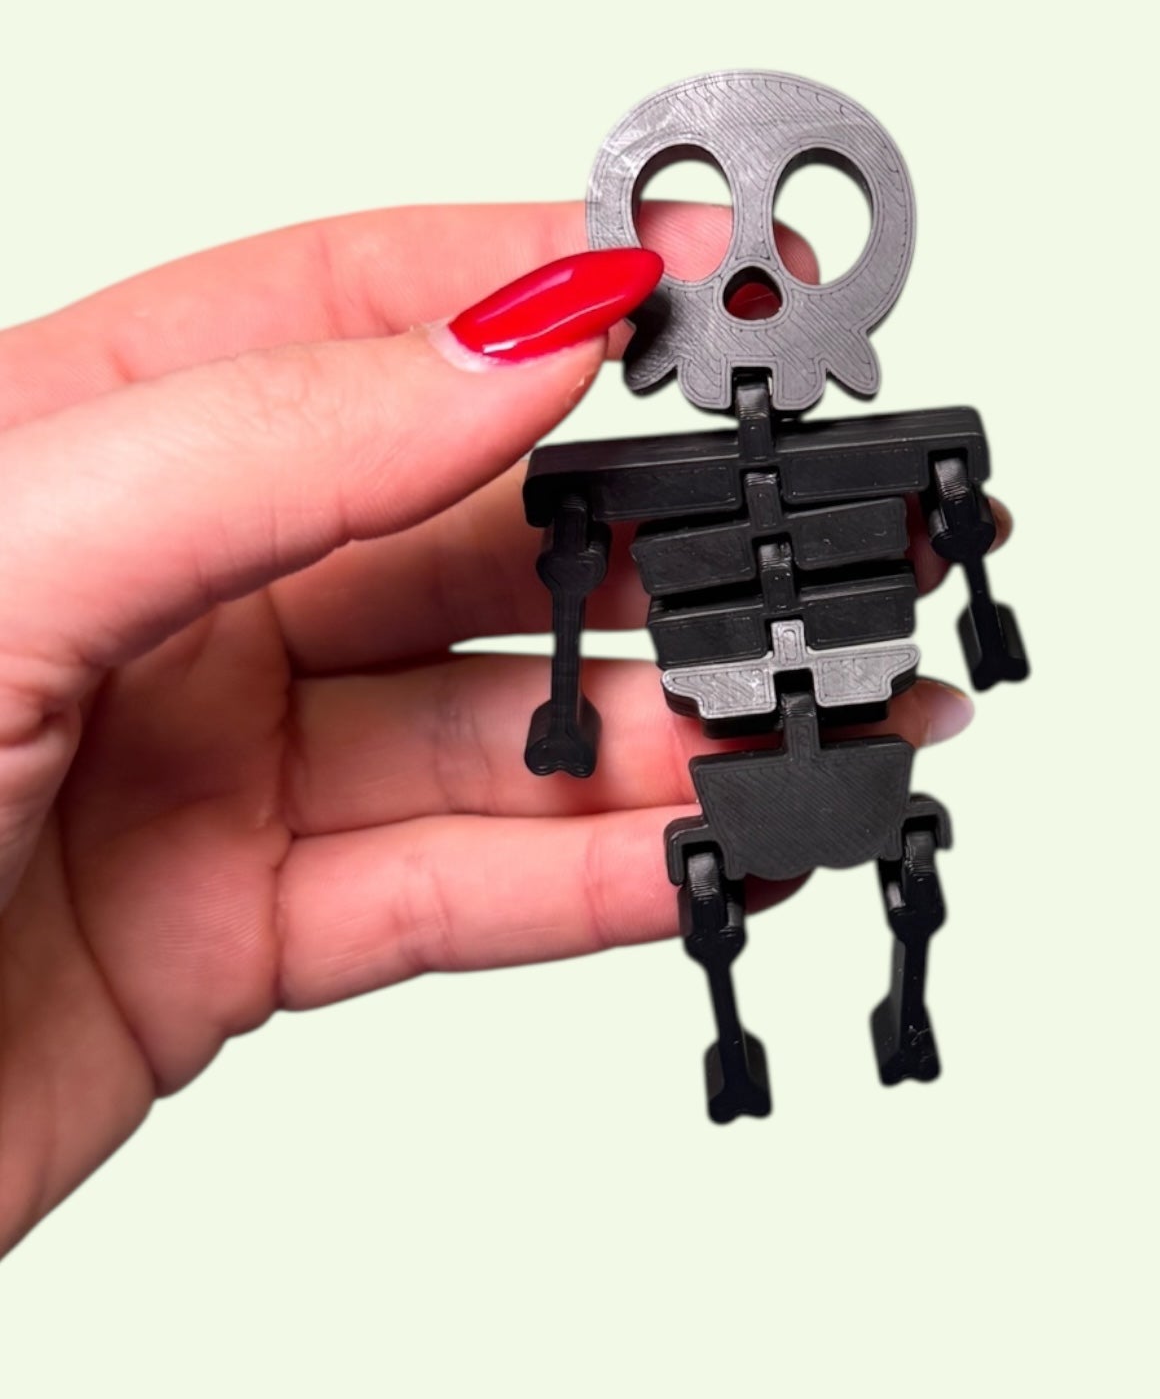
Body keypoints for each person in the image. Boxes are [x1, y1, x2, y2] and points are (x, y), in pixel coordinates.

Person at [0, 200, 991, 1255]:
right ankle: (778, 1033)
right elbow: (577, 543)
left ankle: (880, 1016)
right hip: (727, 667)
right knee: (757, 857)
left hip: (840, 650)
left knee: (863, 839)